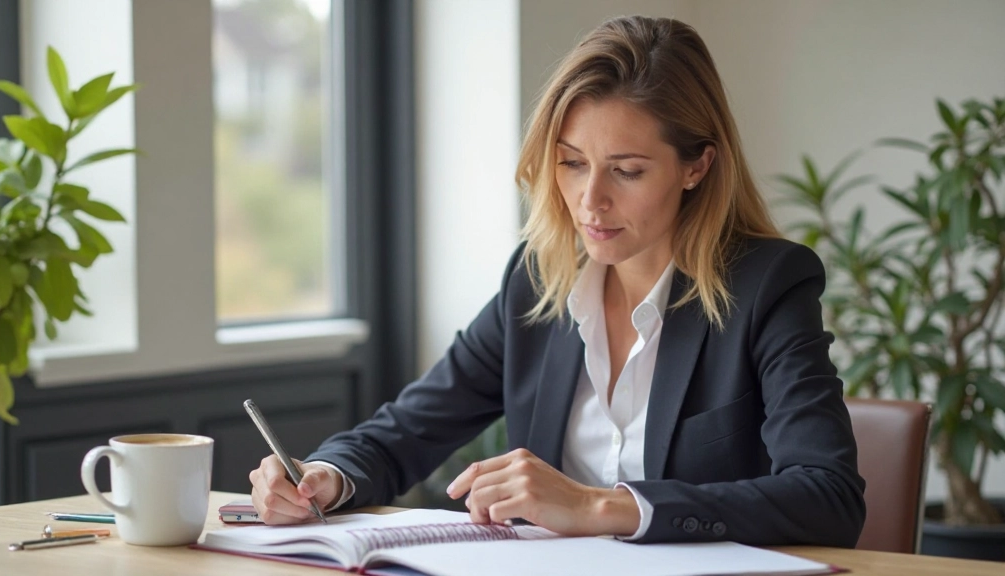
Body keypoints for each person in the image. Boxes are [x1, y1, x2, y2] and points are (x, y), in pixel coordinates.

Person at [249, 15, 865, 547]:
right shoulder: (538, 282)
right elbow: (405, 432)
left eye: (626, 171)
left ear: (696, 167)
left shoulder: (767, 286)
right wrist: (324, 477)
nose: (590, 200)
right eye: (571, 163)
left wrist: (598, 507)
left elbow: (828, 497)